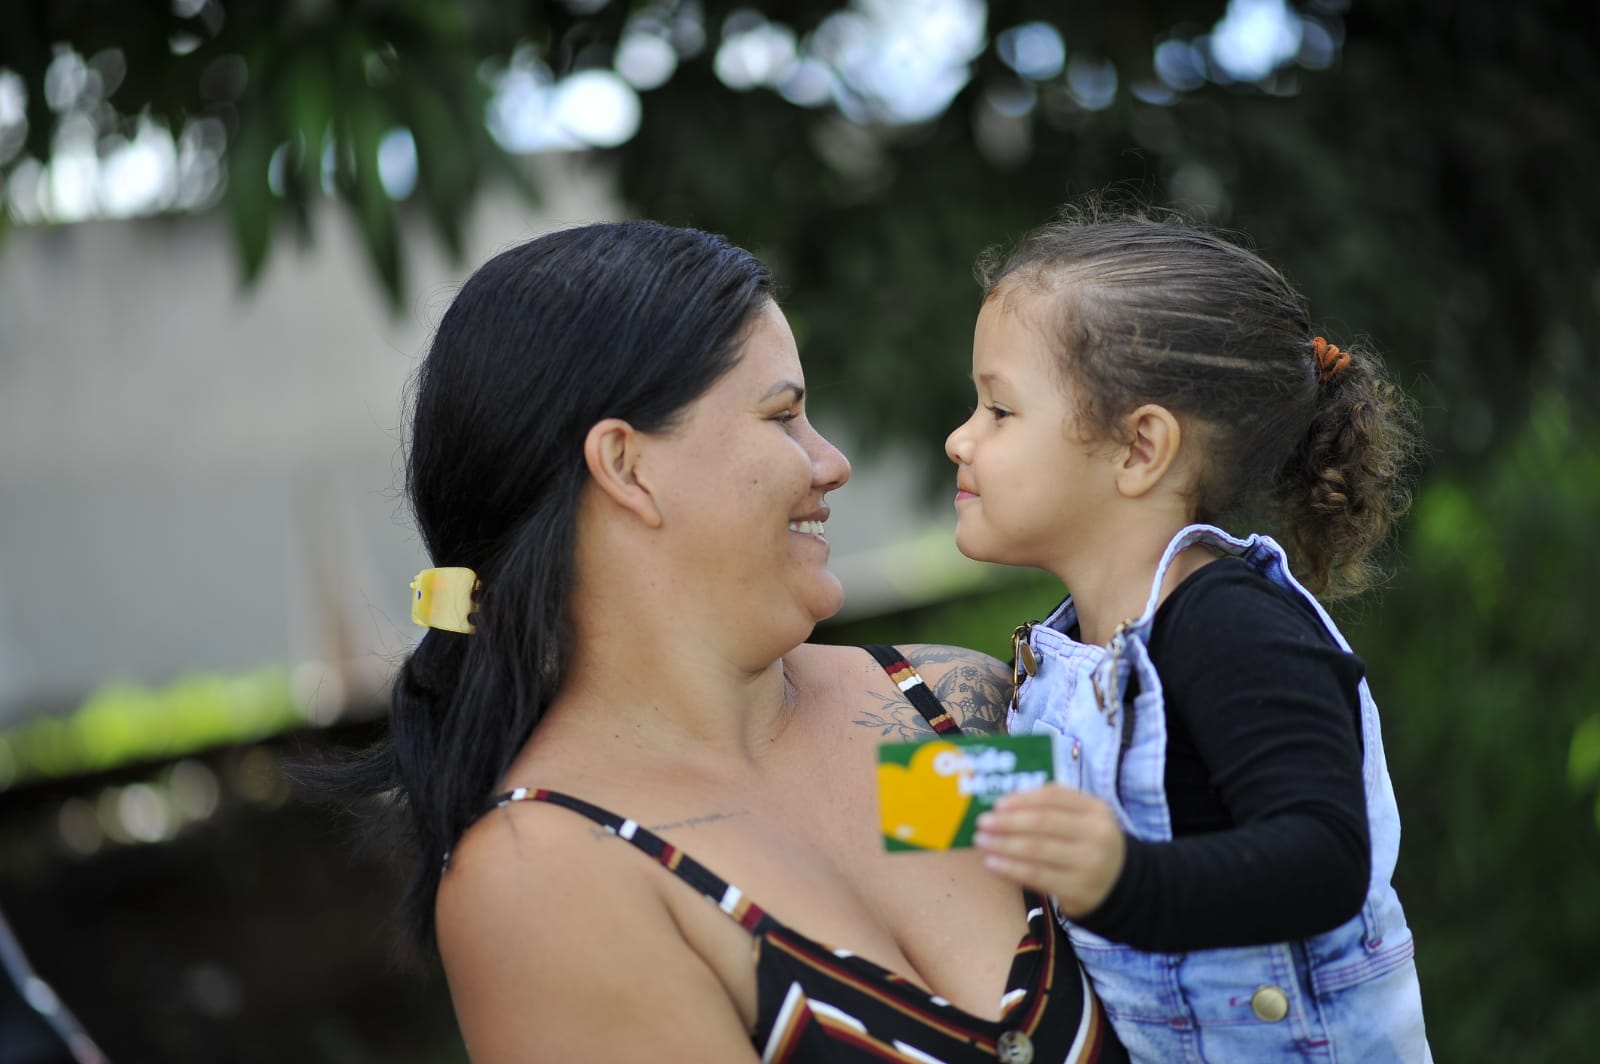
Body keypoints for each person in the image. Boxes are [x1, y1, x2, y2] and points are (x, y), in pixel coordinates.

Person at [340, 220, 1128, 1062]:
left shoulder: (945, 709)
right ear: (628, 467)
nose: (831, 461)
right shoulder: (548, 872)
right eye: (783, 416)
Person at [945, 210, 1431, 1062]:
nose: (961, 438)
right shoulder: (1081, 657)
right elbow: (1035, 817)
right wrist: (869, 799)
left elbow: (1324, 854)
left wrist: (1124, 881)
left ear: (1140, 449)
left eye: (999, 409)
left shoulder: (1231, 626)